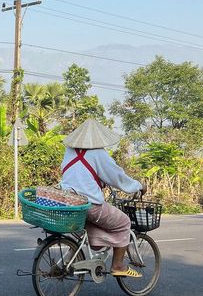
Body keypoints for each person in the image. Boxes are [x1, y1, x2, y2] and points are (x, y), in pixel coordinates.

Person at [59, 118, 146, 278]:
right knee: (124, 222)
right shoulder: (98, 153)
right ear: (98, 139)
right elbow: (118, 177)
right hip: (89, 204)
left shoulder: (69, 151)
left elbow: (77, 174)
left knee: (85, 229)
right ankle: (118, 266)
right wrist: (138, 186)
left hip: (68, 201)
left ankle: (70, 261)